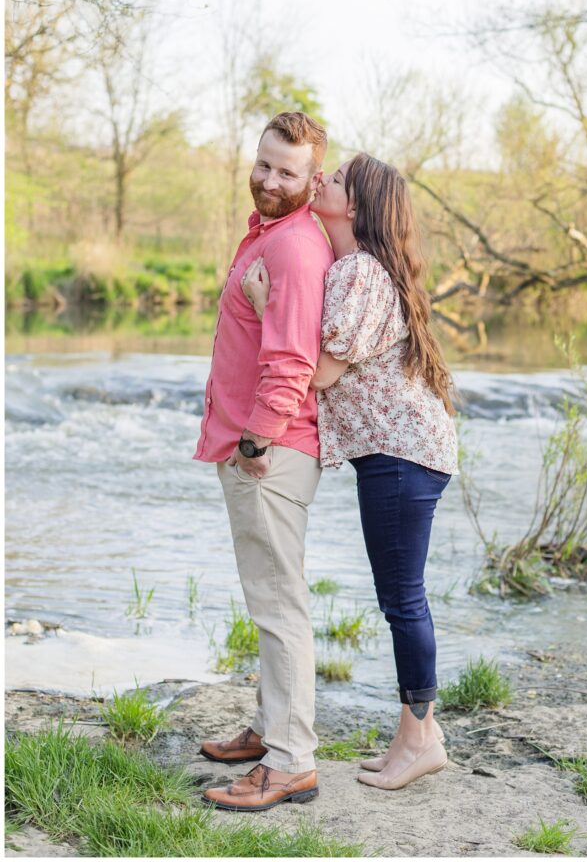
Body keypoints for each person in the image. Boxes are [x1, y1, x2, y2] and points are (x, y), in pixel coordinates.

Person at [242, 153, 458, 791]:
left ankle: (419, 738)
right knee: (402, 597)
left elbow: (322, 374)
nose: (320, 182)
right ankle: (419, 735)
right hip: (400, 454)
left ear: (355, 207)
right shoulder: (354, 268)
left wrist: (264, 307)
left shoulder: (360, 272)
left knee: (402, 600)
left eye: (332, 180)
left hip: (401, 456)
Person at [194, 111, 334, 812]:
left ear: (312, 181)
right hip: (253, 446)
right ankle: (270, 729)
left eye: (287, 171)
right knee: (268, 601)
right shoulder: (265, 235)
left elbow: (291, 362)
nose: (270, 179)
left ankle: (289, 764)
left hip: (269, 453)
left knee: (280, 609)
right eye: (264, 163)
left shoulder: (294, 250)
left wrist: (255, 440)